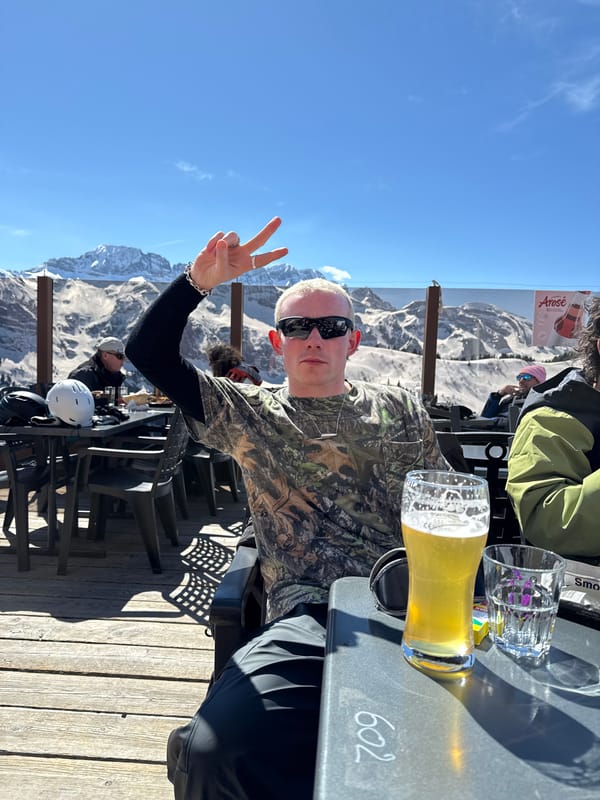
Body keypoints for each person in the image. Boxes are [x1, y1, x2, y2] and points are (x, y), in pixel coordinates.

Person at [125, 216, 449, 800]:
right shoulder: (247, 413)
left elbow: (446, 505)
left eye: (331, 326)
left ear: (354, 338)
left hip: (413, 612)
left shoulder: (400, 409)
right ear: (277, 342)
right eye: (298, 327)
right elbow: (147, 353)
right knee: (212, 754)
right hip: (308, 619)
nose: (314, 339)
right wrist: (196, 283)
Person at [507, 299, 600, 561]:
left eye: (527, 378)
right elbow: (546, 519)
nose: (521, 383)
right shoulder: (556, 415)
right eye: (520, 378)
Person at [480, 364, 547, 420]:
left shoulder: (542, 401)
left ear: (539, 381)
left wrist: (494, 422)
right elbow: (484, 418)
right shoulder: (510, 400)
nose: (521, 381)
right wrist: (498, 395)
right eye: (519, 377)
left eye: (526, 377)